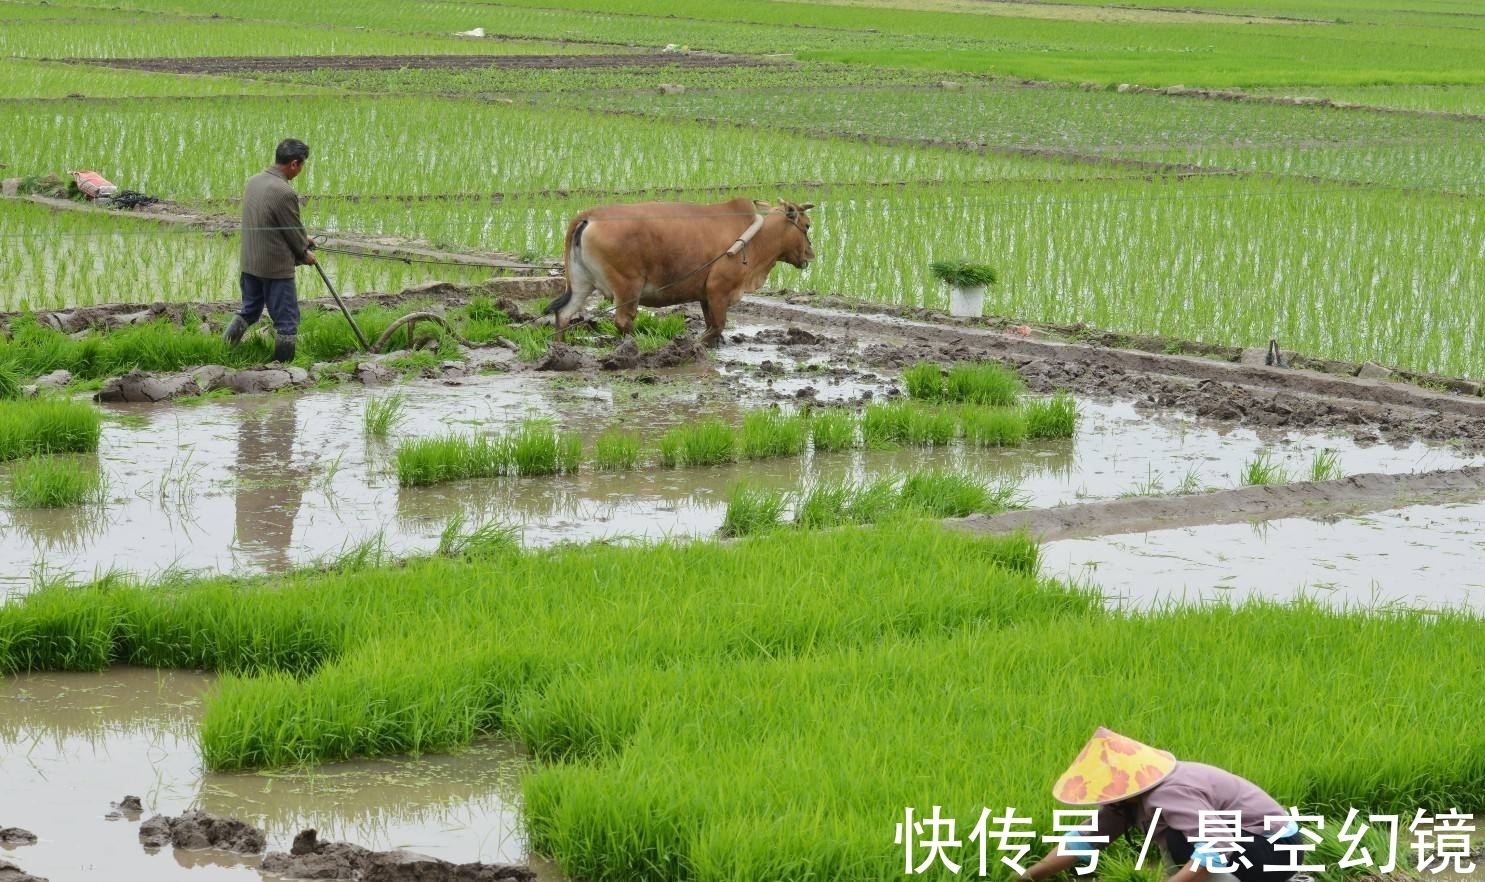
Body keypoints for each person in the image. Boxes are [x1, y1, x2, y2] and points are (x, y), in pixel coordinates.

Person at [1018, 728, 1305, 882]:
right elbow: (1085, 840)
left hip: (1278, 848)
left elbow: (1217, 846)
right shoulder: (1126, 802)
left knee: (1180, 842)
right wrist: (1028, 876)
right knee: (1179, 842)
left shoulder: (1168, 793)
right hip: (1251, 844)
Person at [224, 138, 316, 363]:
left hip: (250, 262)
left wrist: (303, 239)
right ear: (294, 164)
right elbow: (292, 230)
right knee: (287, 321)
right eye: (302, 165)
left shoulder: (254, 181)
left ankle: (224, 349)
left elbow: (271, 222)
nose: (301, 170)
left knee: (249, 309)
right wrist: (304, 253)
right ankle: (284, 371)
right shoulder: (284, 191)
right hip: (274, 268)